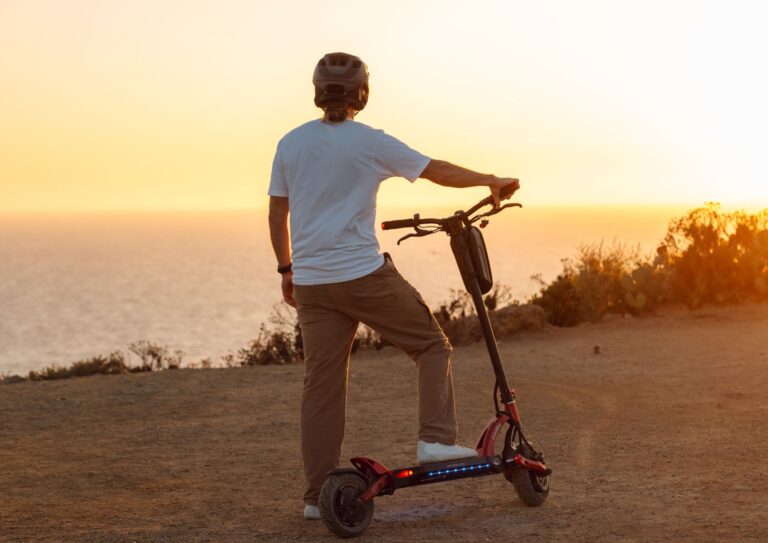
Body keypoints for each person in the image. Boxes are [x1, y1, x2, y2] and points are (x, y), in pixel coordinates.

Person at [267, 52, 519, 520]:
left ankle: (317, 498)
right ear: (362, 93)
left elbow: (277, 211)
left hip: (313, 284)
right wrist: (490, 180)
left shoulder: (291, 143)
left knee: (321, 388)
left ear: (317, 92)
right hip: (362, 276)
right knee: (431, 345)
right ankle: (435, 441)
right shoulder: (370, 141)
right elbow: (435, 169)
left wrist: (287, 270)